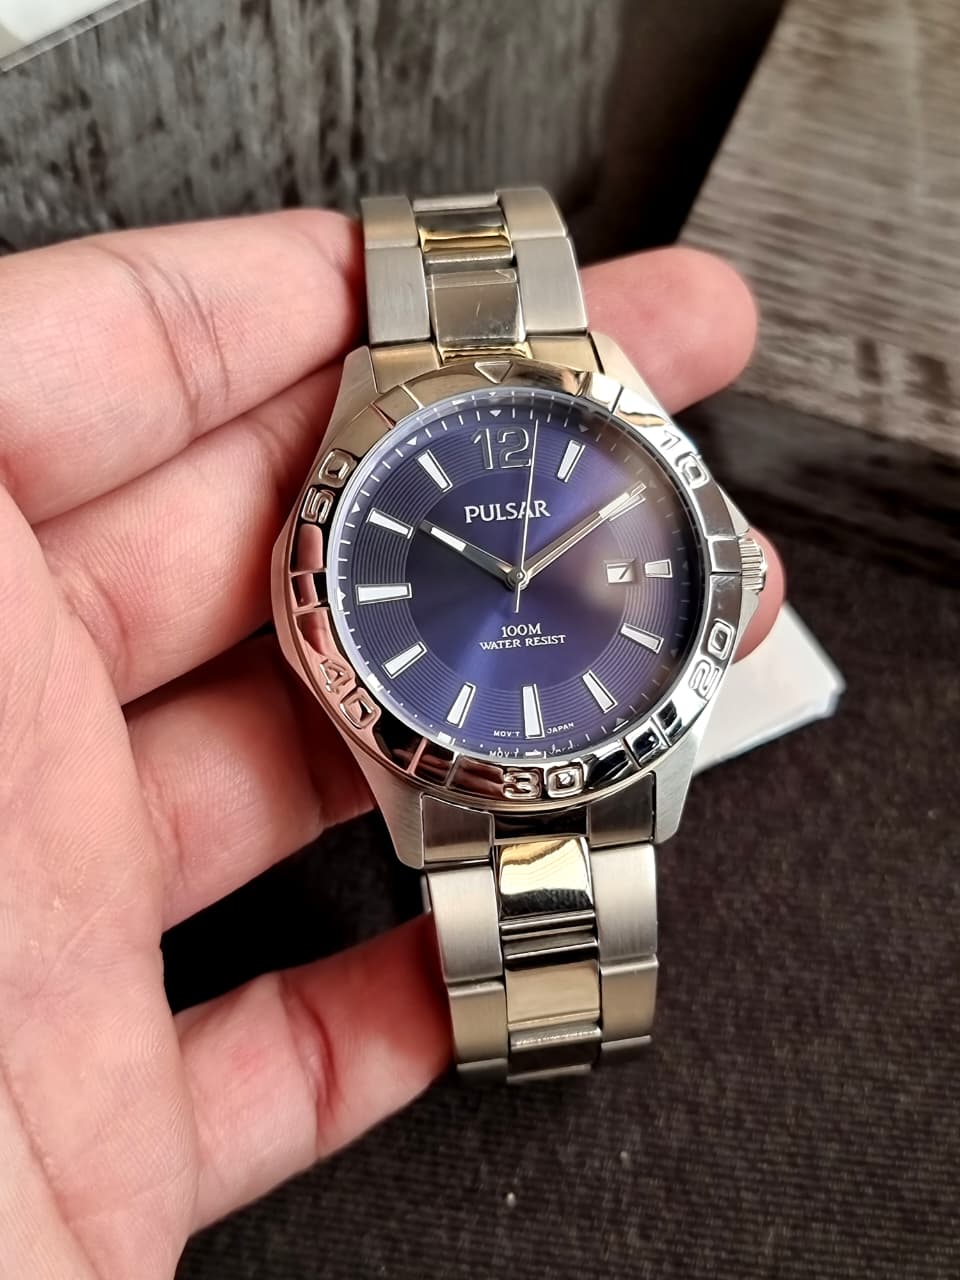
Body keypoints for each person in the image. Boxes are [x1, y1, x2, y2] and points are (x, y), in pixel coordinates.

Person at [0, 209, 783, 1278]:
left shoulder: (643, 495)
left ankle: (563, 1016)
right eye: (503, 575)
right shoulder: (372, 491)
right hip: (453, 754)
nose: (519, 584)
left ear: (721, 564)